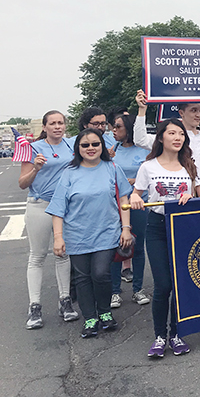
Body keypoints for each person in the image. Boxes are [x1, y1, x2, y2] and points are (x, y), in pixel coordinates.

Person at [129, 119, 200, 358]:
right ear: (161, 137)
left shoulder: (190, 166)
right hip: (157, 227)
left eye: (181, 133)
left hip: (184, 229)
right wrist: (135, 198)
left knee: (179, 285)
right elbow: (136, 193)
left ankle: (176, 334)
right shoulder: (149, 166)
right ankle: (159, 336)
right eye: (171, 133)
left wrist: (191, 200)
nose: (177, 137)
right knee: (163, 285)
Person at [46, 129, 134, 338]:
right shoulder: (69, 173)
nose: (91, 148)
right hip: (77, 235)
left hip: (107, 232)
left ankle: (104, 313)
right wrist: (58, 237)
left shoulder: (112, 168)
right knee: (83, 278)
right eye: (85, 145)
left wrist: (126, 229)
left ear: (102, 146)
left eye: (95, 144)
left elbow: (124, 201)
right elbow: (58, 208)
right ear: (78, 148)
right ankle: (90, 318)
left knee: (101, 273)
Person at [18, 110, 79, 329]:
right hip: (40, 205)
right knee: (37, 256)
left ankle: (65, 301)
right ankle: (34, 306)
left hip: (64, 208)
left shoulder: (71, 146)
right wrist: (36, 168)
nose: (57, 127)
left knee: (63, 254)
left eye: (60, 123)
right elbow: (23, 183)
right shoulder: (34, 149)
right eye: (52, 123)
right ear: (44, 127)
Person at [109, 113, 151, 309]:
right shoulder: (112, 150)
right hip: (115, 206)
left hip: (140, 204)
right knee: (116, 248)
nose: (114, 130)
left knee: (138, 247)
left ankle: (138, 289)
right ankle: (115, 292)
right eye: (113, 127)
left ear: (129, 128)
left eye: (118, 126)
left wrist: (132, 182)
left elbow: (150, 176)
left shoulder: (144, 150)